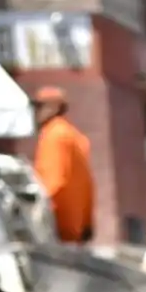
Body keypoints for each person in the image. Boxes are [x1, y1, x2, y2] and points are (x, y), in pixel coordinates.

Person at [31, 85, 95, 243]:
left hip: (56, 228)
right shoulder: (74, 136)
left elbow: (53, 183)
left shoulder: (54, 135)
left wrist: (37, 216)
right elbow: (88, 184)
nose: (35, 112)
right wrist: (87, 223)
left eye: (39, 106)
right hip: (74, 229)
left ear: (55, 107)